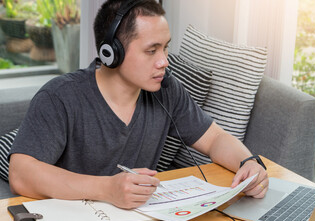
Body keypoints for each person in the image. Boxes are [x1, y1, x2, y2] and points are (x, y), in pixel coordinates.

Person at [8, 0, 268, 210]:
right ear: (111, 52)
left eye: (165, 48)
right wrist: (107, 189)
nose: (164, 61)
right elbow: (21, 174)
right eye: (151, 50)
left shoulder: (166, 89)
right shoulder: (60, 96)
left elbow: (214, 138)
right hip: (72, 218)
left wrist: (248, 162)